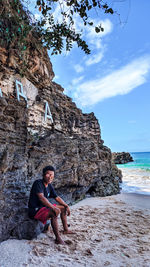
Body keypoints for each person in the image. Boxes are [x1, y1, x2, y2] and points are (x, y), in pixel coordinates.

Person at [28, 165, 73, 245]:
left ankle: (66, 229)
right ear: (43, 175)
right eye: (48, 174)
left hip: (44, 208)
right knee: (54, 212)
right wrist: (53, 208)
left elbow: (57, 197)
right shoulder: (38, 183)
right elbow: (42, 198)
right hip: (35, 210)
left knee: (63, 208)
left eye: (52, 175)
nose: (50, 177)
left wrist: (66, 205)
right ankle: (58, 239)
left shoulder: (49, 186)